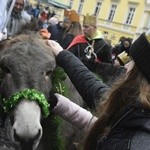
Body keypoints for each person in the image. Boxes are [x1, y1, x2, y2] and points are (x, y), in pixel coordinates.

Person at [46, 29, 150, 149]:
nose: (126, 66)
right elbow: (98, 95)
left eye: (133, 62)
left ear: (142, 74)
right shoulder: (134, 109)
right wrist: (62, 55)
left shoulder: (138, 143)